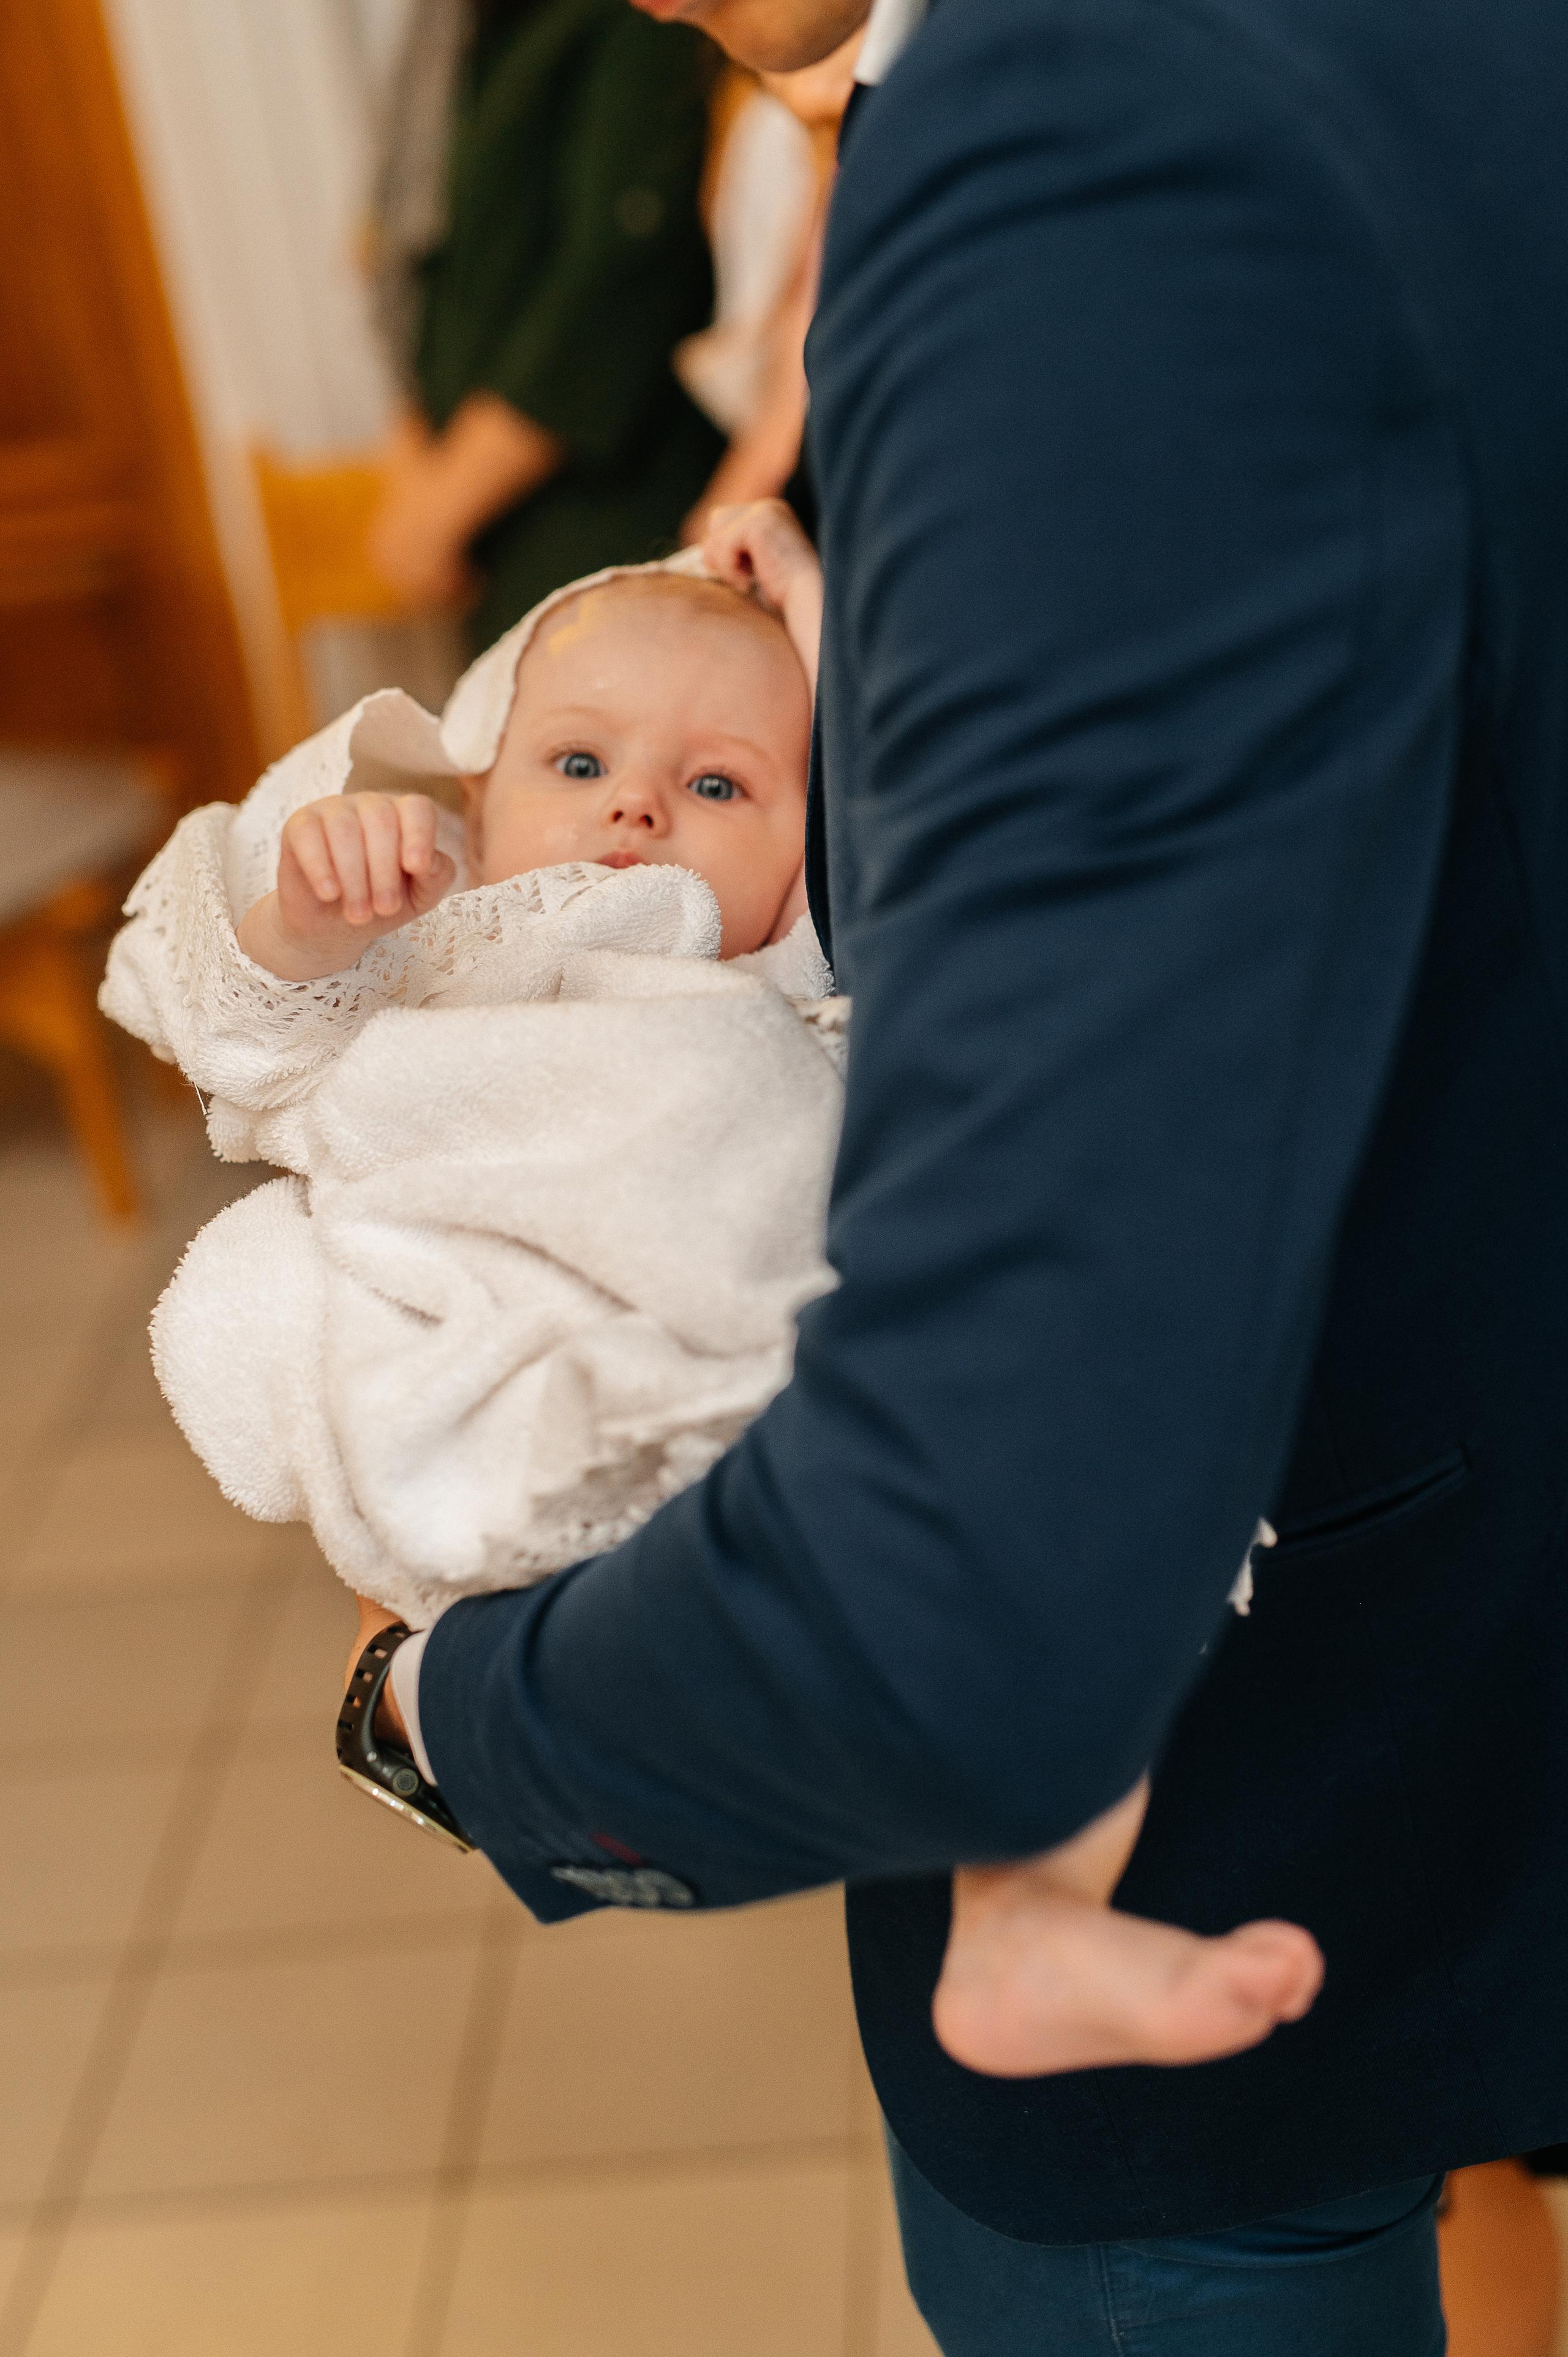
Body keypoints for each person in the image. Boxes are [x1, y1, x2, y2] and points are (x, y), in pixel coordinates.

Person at [108, 503, 1321, 2073]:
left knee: (1097, 1506)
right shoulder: (442, 930)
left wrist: (815, 617)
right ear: (474, 794)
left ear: (811, 836)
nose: (634, 814)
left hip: (769, 1383)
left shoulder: (803, 966)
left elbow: (915, 827)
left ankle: (1028, 1909)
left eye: (716, 784)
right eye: (577, 764)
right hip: (512, 1355)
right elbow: (239, 1037)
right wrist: (306, 913)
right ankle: (451, 1676)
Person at [364, 0, 725, 650]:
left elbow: (623, 262)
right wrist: (415, 449)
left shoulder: (624, 15)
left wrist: (446, 504)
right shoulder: (457, 27)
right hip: (494, 524)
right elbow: (432, 265)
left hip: (607, 502)